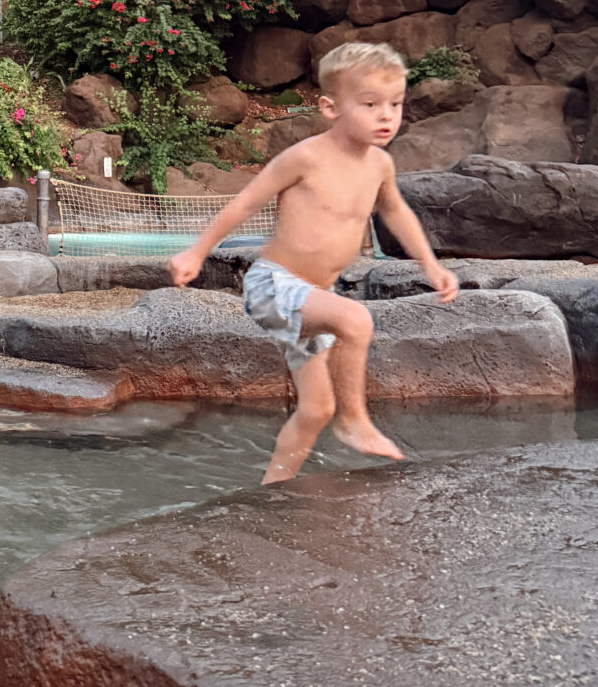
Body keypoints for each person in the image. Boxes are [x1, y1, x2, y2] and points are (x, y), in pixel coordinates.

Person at [170, 40, 459, 484]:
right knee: (356, 320)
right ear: (330, 107)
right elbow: (245, 203)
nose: (386, 115)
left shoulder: (380, 165)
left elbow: (396, 211)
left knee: (316, 407)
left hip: (312, 298)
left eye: (396, 104)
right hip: (274, 285)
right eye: (370, 104)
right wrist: (196, 251)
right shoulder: (305, 157)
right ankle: (354, 421)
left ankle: (273, 487)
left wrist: (430, 265)